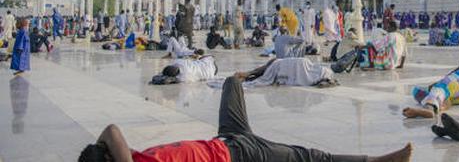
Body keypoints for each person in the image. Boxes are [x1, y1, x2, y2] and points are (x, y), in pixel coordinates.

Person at [79, 76, 413, 162]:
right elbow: (110, 132)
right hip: (240, 155)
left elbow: (111, 131)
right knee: (309, 157)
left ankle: (250, 74)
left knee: (232, 83)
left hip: (226, 138)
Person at [153, 54, 218, 84]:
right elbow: (212, 56)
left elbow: (172, 79)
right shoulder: (178, 62)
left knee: (198, 62)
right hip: (209, 70)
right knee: (198, 61)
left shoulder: (184, 77)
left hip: (210, 73)